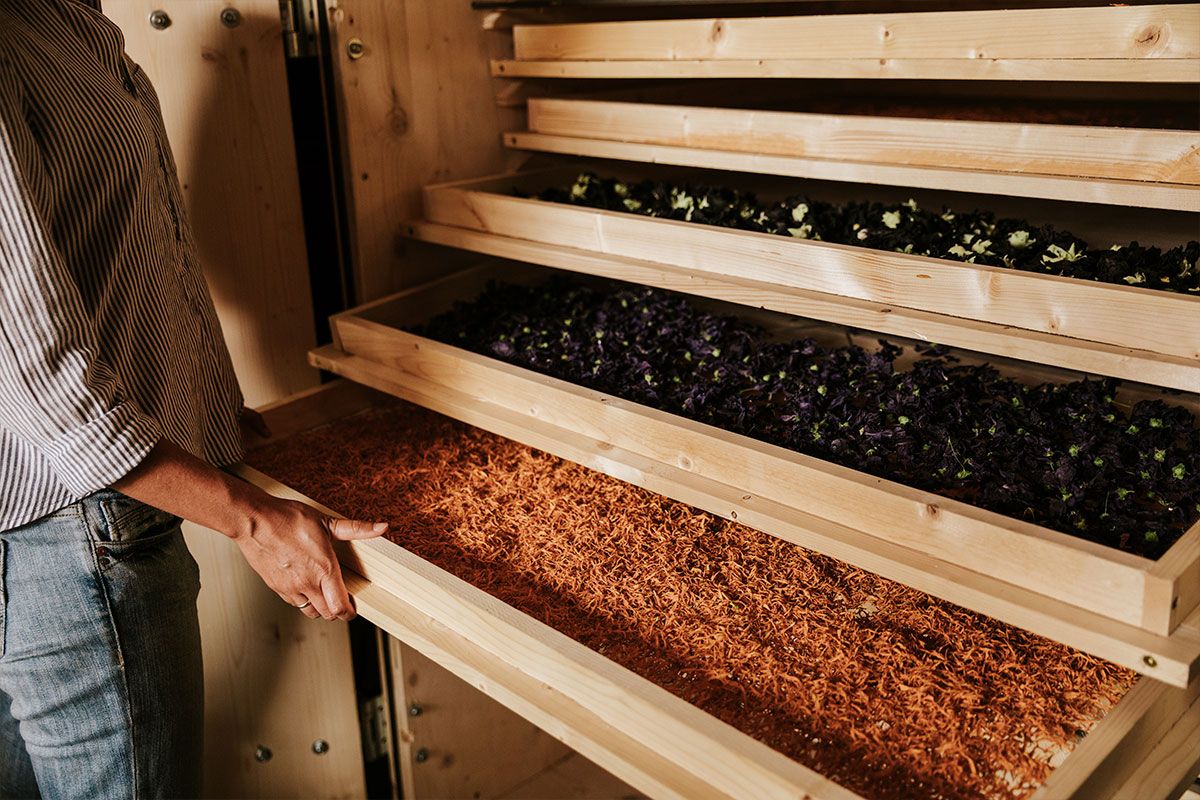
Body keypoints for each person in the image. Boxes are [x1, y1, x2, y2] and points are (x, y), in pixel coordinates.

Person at [0, 1, 387, 797]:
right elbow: (37, 373)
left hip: (84, 523)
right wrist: (251, 518)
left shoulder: (65, 19)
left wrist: (214, 413)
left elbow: (126, 245)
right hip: (73, 541)